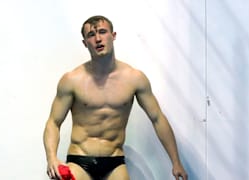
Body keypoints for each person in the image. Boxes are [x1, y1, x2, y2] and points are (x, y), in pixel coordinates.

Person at [43, 15, 188, 180]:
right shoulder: (72, 80)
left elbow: (157, 119)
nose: (98, 39)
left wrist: (176, 162)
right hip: (79, 159)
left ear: (113, 36)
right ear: (85, 43)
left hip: (114, 162)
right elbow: (53, 122)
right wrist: (51, 158)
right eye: (91, 35)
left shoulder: (134, 78)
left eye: (103, 32)